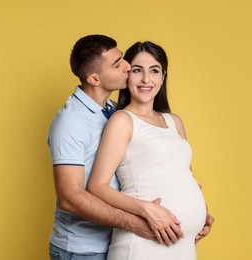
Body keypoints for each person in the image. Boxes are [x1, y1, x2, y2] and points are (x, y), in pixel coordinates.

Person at [47, 35, 185, 260]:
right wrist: (136, 223)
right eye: (117, 63)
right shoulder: (70, 122)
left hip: (119, 242)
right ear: (94, 78)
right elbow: (70, 197)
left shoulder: (114, 111)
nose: (127, 67)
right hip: (83, 251)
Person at [87, 41, 213, 259]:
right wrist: (146, 209)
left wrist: (203, 210)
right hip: (143, 244)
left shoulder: (174, 121)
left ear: (163, 77)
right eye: (137, 70)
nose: (146, 79)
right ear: (127, 75)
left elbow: (185, 175)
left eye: (154, 71)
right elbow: (97, 186)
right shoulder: (122, 120)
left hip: (183, 245)